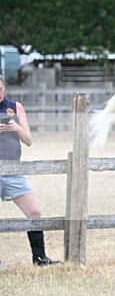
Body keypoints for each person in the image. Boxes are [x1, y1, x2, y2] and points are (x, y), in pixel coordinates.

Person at [0, 75, 61, 266]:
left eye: (0, 87)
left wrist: (16, 127)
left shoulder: (16, 107)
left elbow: (28, 140)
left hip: (13, 169)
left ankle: (40, 258)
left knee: (34, 212)